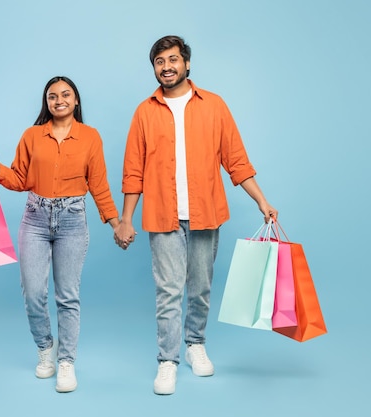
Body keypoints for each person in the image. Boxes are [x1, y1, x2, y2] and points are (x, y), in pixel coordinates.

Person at [113, 35, 278, 395]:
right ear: (154, 68)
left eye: (173, 59)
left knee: (200, 288)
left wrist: (261, 202)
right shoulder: (144, 111)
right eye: (159, 61)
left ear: (187, 64)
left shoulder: (214, 105)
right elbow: (133, 171)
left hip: (205, 213)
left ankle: (195, 345)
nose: (167, 66)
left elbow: (236, 161)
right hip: (162, 216)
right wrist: (126, 218)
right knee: (168, 291)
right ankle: (167, 361)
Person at [0, 76, 120, 393]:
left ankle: (66, 362)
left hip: (73, 219)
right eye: (53, 96)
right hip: (35, 218)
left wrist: (115, 221)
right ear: (46, 102)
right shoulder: (32, 135)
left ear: (76, 100)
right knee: (33, 293)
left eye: (66, 94)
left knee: (67, 297)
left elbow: (100, 185)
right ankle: (45, 348)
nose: (59, 100)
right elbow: (19, 179)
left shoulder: (90, 137)